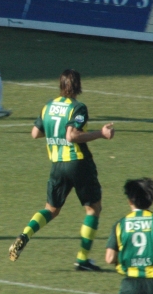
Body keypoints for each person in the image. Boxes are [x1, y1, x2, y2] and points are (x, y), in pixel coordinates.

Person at [9, 69, 115, 271]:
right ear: (78, 86)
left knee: (51, 209)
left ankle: (25, 235)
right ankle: (83, 260)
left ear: (60, 85)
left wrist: (52, 133)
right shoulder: (78, 107)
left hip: (57, 164)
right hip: (78, 162)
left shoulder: (48, 106)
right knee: (93, 208)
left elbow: (35, 133)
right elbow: (72, 136)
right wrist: (101, 133)